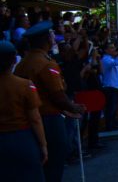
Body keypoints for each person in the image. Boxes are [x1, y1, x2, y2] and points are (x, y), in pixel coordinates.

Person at [14, 21, 85, 182]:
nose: (54, 37)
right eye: (52, 34)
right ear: (47, 39)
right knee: (54, 163)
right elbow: (57, 95)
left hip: (31, 120)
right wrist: (73, 107)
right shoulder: (46, 64)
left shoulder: (22, 65)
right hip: (50, 119)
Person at [0, 40, 47, 182]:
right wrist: (43, 144)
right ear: (14, 60)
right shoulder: (25, 85)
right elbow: (35, 118)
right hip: (21, 139)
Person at [100, 42, 118, 130]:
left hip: (115, 86)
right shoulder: (105, 59)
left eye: (113, 47)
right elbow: (116, 63)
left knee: (114, 107)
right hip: (110, 87)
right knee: (111, 108)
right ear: (106, 50)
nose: (114, 49)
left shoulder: (111, 58)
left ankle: (113, 124)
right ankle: (110, 126)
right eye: (111, 48)